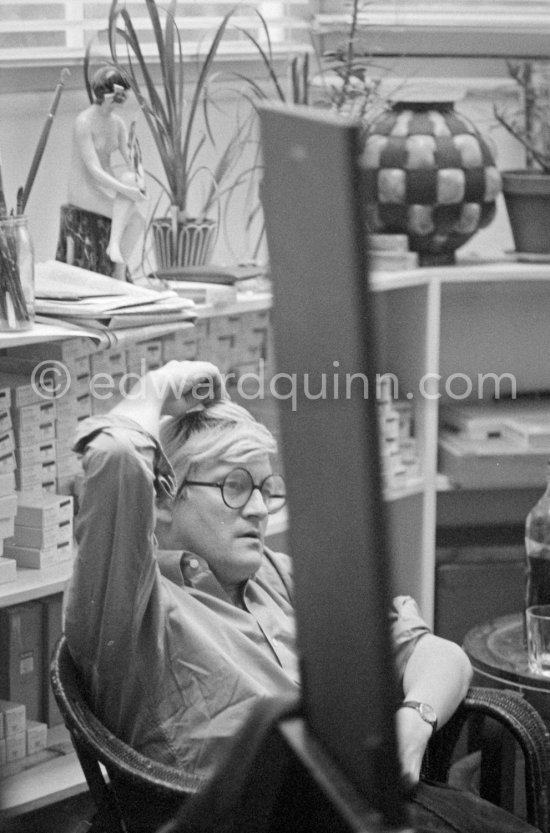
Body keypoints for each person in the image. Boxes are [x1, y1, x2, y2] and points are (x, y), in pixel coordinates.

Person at [64, 361, 540, 833]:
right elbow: (116, 458)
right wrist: (156, 389)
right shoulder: (132, 611)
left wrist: (414, 722)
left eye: (265, 489)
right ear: (164, 500)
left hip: (378, 803)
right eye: (234, 486)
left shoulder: (277, 577)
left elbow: (438, 655)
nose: (257, 509)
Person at [65, 65, 147, 279]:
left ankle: (118, 269)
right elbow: (93, 169)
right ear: (106, 93)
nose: (123, 97)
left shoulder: (117, 123)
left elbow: (130, 158)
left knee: (138, 220)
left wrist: (138, 177)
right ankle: (112, 246)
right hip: (84, 189)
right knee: (128, 205)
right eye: (119, 93)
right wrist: (126, 191)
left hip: (106, 187)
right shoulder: (84, 122)